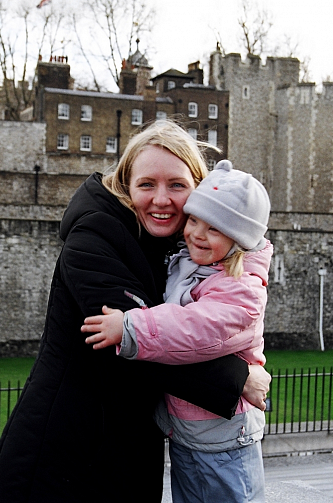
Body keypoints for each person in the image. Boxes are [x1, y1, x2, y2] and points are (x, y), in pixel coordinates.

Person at [0, 121, 271, 503]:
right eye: (147, 184)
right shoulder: (93, 238)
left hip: (118, 447)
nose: (162, 199)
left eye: (177, 185)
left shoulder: (175, 249)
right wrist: (236, 379)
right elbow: (140, 343)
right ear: (125, 185)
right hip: (66, 453)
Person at [83, 160, 272, 502]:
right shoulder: (193, 261)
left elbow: (194, 329)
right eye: (194, 220)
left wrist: (130, 328)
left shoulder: (240, 287)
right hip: (190, 433)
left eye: (213, 229)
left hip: (224, 439)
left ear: (239, 239)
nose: (196, 233)